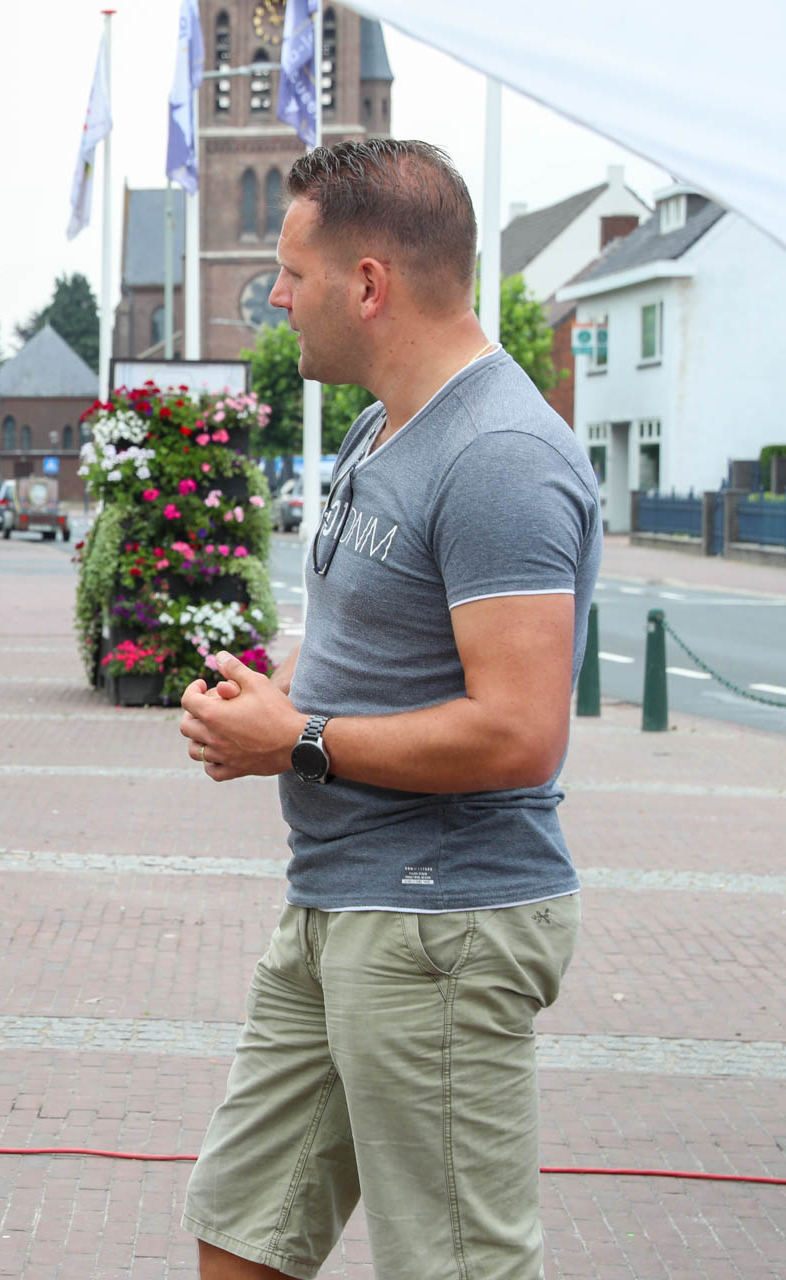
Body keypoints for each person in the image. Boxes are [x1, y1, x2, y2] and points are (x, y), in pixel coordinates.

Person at [176, 139, 601, 1279]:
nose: (275, 296)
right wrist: (276, 699)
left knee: (455, 1264)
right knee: (242, 1229)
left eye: (291, 272)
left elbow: (519, 732)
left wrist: (299, 741)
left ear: (368, 284)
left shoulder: (502, 455)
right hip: (339, 899)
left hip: (438, 923)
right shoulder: (383, 426)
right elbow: (372, 637)